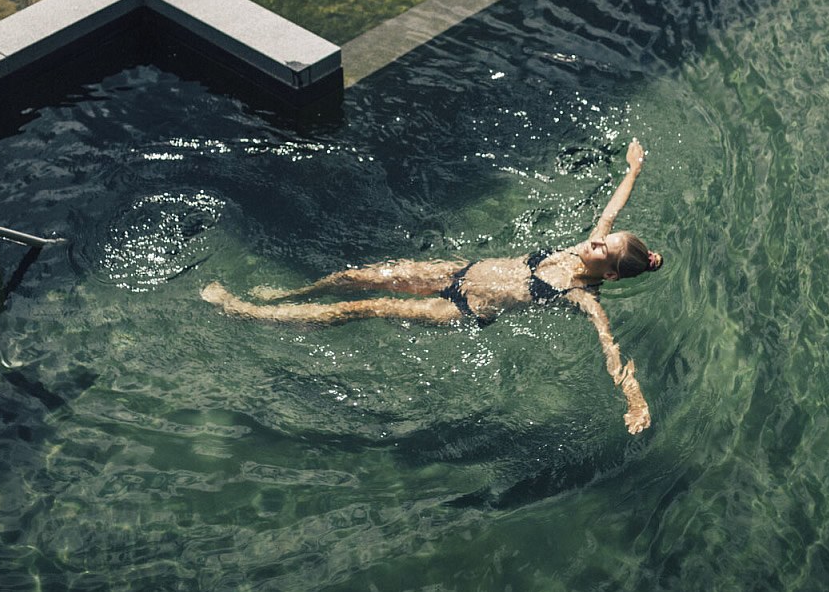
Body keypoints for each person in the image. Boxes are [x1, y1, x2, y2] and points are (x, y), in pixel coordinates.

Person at [202, 139, 662, 434]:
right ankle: (289, 296)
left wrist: (634, 400)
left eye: (603, 247)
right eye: (601, 238)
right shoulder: (580, 249)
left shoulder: (582, 295)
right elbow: (612, 209)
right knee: (352, 277)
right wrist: (634, 169)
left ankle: (247, 311)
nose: (596, 240)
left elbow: (610, 349)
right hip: (454, 271)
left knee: (361, 307)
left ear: (610, 274)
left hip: (462, 309)